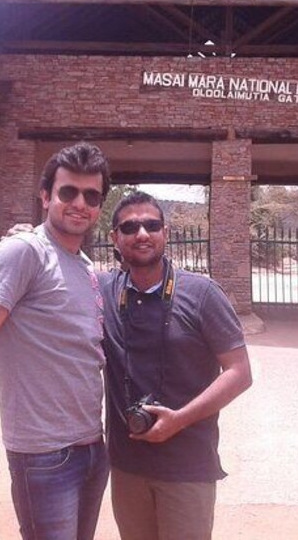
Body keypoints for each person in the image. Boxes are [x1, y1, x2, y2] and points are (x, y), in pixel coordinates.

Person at [0, 142, 111, 540]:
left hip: (91, 446)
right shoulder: (23, 252)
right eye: (68, 192)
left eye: (91, 196)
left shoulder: (85, 266)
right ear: (45, 197)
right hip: (44, 454)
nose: (79, 203)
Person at [101, 191, 252, 540]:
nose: (142, 234)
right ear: (115, 238)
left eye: (152, 225)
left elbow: (240, 372)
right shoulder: (105, 291)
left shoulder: (202, 294)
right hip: (127, 466)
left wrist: (180, 419)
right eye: (130, 227)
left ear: (165, 233)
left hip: (187, 465)